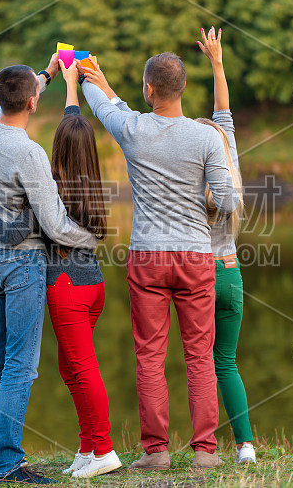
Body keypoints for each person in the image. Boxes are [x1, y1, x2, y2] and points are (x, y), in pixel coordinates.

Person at [78, 46, 240, 470]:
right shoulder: (207, 137)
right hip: (195, 257)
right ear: (183, 88)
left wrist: (80, 69)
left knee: (150, 355)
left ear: (149, 89)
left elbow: (101, 101)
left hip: (147, 257)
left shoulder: (132, 128)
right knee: (200, 355)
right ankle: (205, 452)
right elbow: (226, 198)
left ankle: (157, 453)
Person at [0, 59, 122, 479]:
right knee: (20, 364)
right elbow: (54, 225)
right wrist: (92, 239)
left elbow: (8, 97)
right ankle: (5, 463)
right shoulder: (30, 153)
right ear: (34, 103)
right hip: (22, 263)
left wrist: (48, 73)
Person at [195, 26, 255, 464]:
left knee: (198, 363)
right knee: (226, 363)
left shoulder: (190, 177)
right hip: (230, 275)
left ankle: (203, 448)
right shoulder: (228, 168)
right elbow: (224, 116)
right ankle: (246, 447)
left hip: (197, 275)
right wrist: (217, 63)